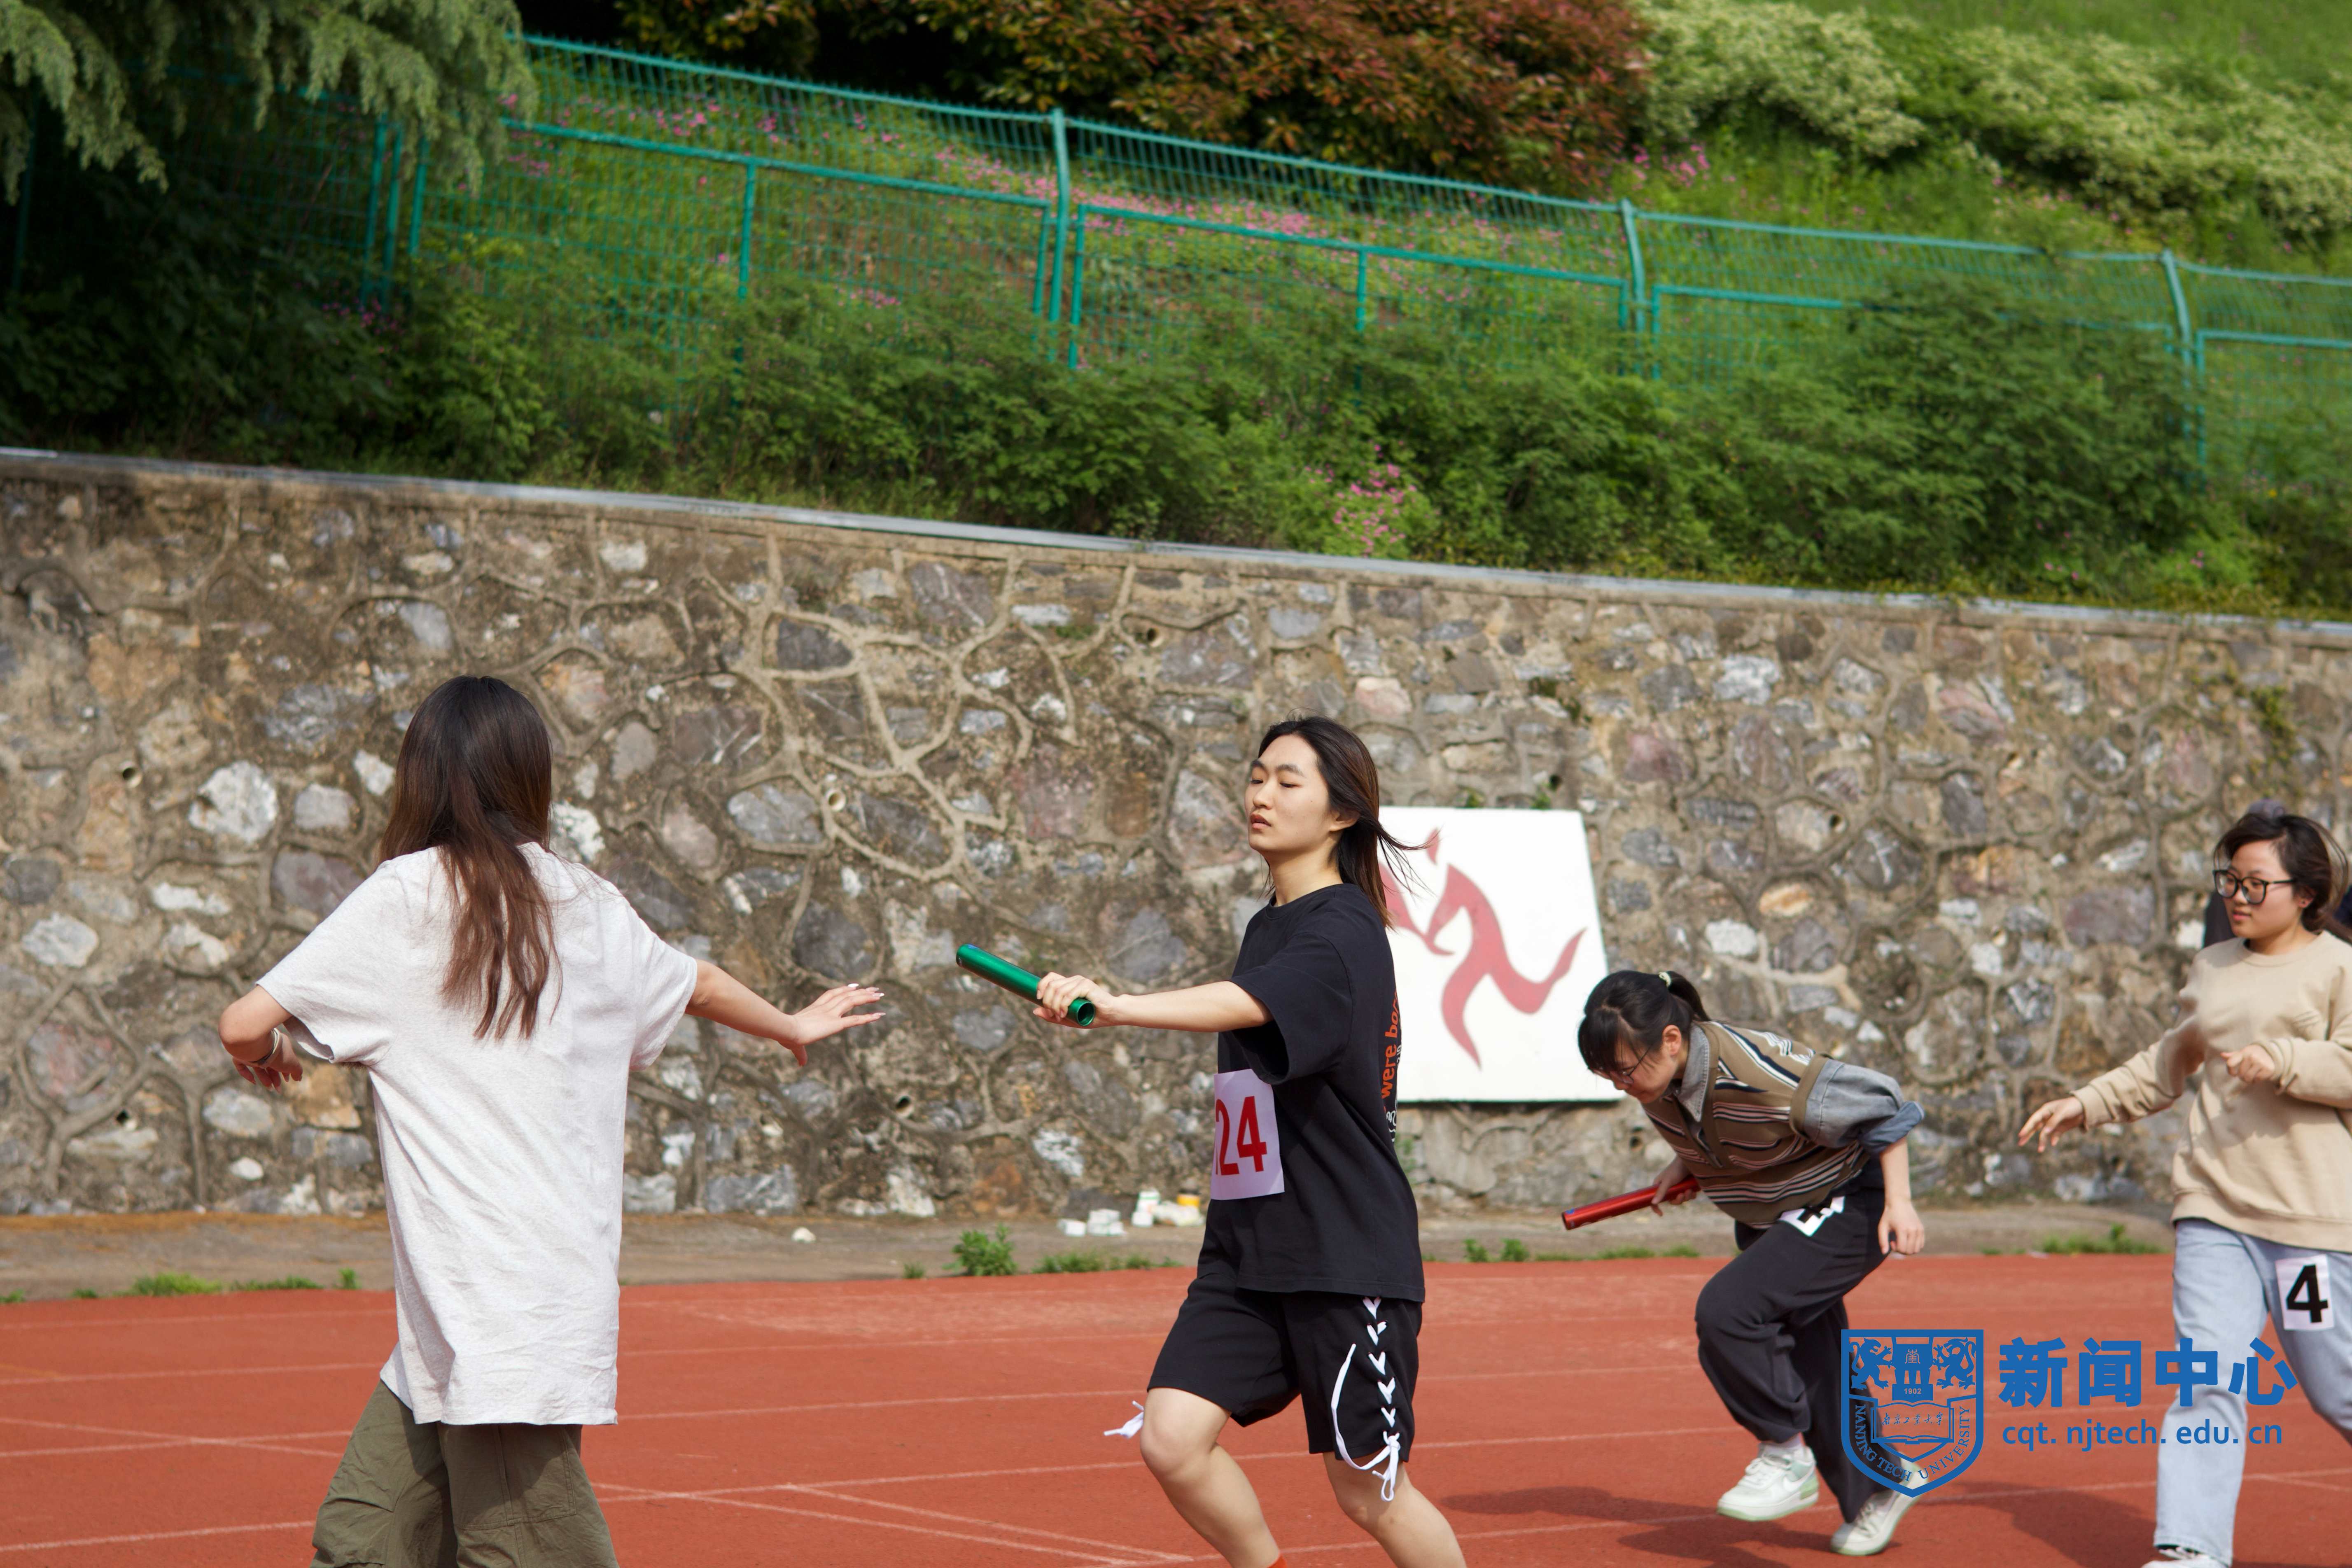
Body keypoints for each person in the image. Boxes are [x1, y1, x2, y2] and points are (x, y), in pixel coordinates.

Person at [217, 676, 882, 1568]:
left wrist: (268, 1052)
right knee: (365, 1538)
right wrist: (791, 1024)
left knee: (524, 1553)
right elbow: (699, 982)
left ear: (422, 777)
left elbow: (242, 1023)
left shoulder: (405, 895)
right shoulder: (590, 902)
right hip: (476, 1318)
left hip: (498, 1324)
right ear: (530, 776)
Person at [1032, 715, 1465, 1568]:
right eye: (1257, 776)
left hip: (1344, 1256)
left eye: (1287, 781)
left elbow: (1247, 1005)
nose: (1261, 794)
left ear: (1342, 812)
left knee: (1369, 1491)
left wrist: (1116, 1006)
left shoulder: (1343, 929)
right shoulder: (1272, 922)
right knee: (1171, 1437)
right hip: (1250, 1250)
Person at [2020, 808, 2352, 1568]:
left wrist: (2285, 1059)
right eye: (2228, 880)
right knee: (2208, 1379)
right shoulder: (2213, 968)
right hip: (2213, 1212)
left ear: (2305, 893)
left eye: (2255, 883)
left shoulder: (2340, 969)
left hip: (2309, 1227)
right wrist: (2086, 1103)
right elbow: (2165, 1062)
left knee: (2339, 1388)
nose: (2236, 896)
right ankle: (2190, 1548)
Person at [1579, 971, 1927, 1558]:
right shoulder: (1662, 1080)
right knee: (1812, 1363)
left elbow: (1884, 1106)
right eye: (1606, 1074)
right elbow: (1710, 1125)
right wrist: (1686, 1165)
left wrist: (1901, 1203)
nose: (1621, 1084)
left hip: (1846, 1202)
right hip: (1777, 1213)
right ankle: (1881, 1484)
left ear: (1671, 1040)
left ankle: (1783, 1454)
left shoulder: (1757, 1072)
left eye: (1625, 1070)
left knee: (1730, 1312)